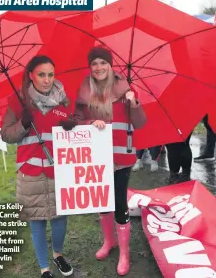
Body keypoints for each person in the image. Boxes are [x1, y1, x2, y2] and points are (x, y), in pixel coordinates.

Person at [71, 46, 146, 276]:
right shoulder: (85, 90)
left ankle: (124, 252)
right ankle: (109, 242)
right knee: (102, 201)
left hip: (122, 156)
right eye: (94, 63)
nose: (99, 67)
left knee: (120, 203)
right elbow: (76, 120)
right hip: (96, 157)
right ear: (90, 67)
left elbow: (140, 123)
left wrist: (134, 103)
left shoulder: (125, 89)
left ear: (110, 65)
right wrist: (89, 124)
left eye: (103, 63)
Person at [1, 56, 74, 278]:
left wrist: (73, 126)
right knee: (37, 220)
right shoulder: (18, 102)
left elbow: (73, 134)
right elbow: (6, 135)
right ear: (31, 75)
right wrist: (23, 123)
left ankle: (58, 255)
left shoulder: (64, 102)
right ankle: (45, 268)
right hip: (30, 172)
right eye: (41, 74)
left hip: (58, 169)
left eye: (50, 74)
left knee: (60, 216)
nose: (46, 80)